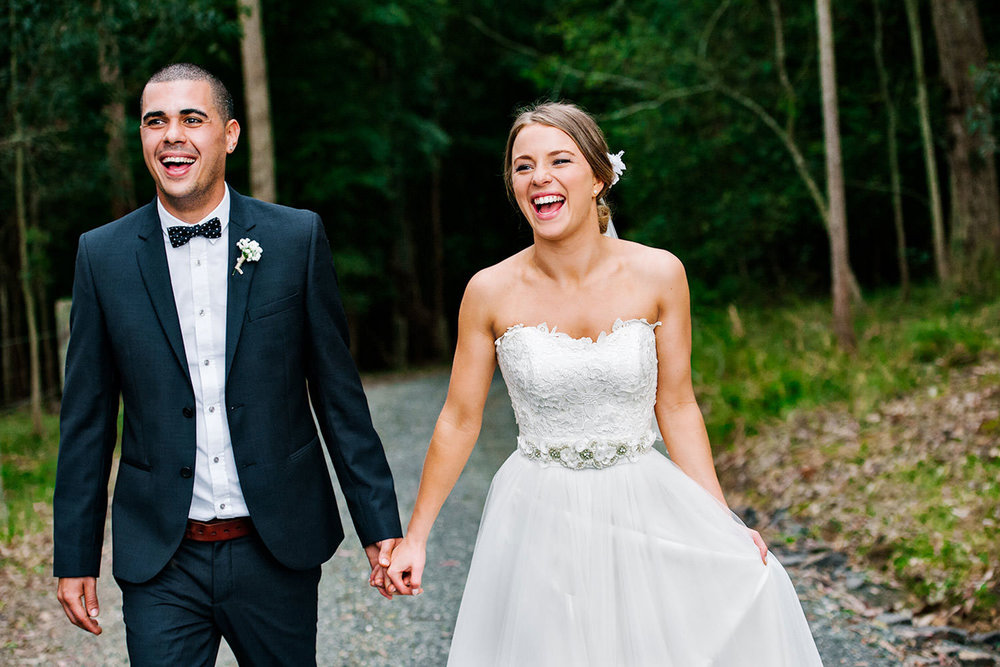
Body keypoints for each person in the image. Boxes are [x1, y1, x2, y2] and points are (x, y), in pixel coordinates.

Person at [386, 102, 824, 665]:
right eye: (523, 167)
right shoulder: (489, 290)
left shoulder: (661, 273)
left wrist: (723, 521)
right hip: (537, 514)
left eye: (559, 160)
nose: (539, 177)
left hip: (642, 502)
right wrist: (416, 536)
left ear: (598, 177)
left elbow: (679, 405)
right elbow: (459, 418)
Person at [53, 63, 402, 665]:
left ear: (230, 134)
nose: (172, 135)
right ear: (142, 138)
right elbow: (85, 422)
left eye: (193, 119)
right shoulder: (101, 255)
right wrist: (74, 558)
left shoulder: (296, 239)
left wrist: (380, 527)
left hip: (276, 544)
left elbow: (339, 397)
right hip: (161, 557)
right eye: (155, 121)